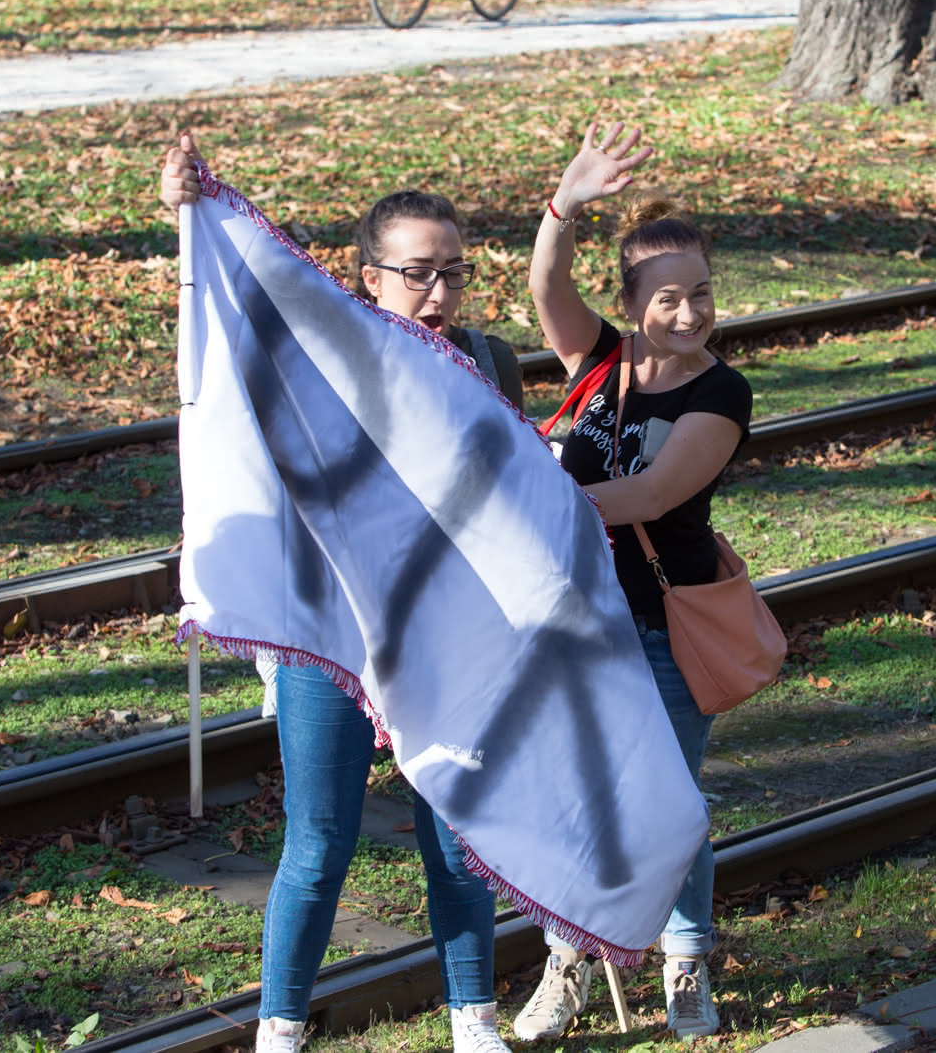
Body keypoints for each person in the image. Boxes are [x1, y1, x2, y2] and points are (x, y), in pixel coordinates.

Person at [160, 133, 522, 1053]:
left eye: (454, 273)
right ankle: (280, 1029)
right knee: (319, 845)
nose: (438, 296)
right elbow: (221, 330)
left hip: (450, 646)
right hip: (334, 644)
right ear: (367, 278)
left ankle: (472, 1018)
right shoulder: (317, 364)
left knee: (459, 841)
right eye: (416, 275)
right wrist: (185, 218)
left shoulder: (490, 360)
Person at [511, 122, 752, 1042]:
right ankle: (567, 962)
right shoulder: (601, 362)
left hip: (660, 623)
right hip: (573, 621)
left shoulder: (720, 396)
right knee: (572, 798)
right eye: (668, 300)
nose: (689, 315)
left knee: (668, 803)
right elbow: (547, 286)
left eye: (701, 296)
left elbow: (652, 491)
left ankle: (686, 962)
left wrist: (532, 497)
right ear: (632, 301)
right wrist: (563, 205)